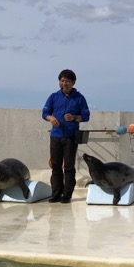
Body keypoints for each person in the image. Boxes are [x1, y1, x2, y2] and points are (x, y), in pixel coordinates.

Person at [42, 69, 90, 204]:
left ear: (73, 83)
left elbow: (86, 116)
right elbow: (44, 113)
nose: (64, 83)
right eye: (62, 81)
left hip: (70, 137)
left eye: (67, 81)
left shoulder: (79, 98)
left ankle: (67, 195)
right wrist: (51, 118)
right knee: (56, 166)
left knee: (68, 167)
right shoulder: (53, 97)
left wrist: (74, 117)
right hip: (55, 136)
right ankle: (56, 193)